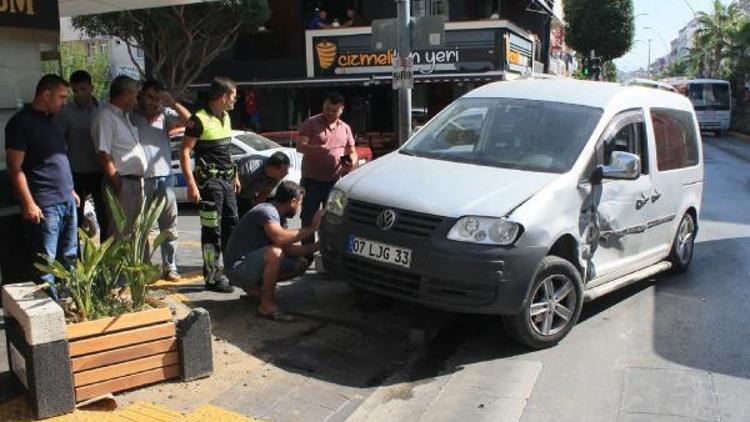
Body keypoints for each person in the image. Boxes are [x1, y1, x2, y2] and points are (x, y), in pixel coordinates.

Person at [5, 74, 79, 300]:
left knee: (70, 257)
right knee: (46, 263)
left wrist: (71, 190)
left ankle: (70, 305)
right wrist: (29, 203)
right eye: (61, 97)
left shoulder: (55, 121)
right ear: (46, 95)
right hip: (45, 205)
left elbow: (59, 160)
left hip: (66, 200)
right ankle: (50, 311)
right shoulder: (20, 123)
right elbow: (14, 168)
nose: (64, 102)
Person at [224, 181, 323, 321]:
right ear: (293, 201)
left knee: (300, 263)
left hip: (250, 264)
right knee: (275, 253)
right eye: (300, 203)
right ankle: (266, 305)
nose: (300, 207)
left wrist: (319, 245)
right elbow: (280, 238)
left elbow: (289, 249)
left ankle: (256, 290)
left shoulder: (279, 217)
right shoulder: (267, 211)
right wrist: (312, 228)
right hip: (237, 269)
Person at [181, 77, 240, 293]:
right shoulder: (199, 119)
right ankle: (212, 277)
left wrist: (236, 176)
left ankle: (232, 271)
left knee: (232, 226)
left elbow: (227, 151)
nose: (235, 100)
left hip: (227, 181)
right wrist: (191, 184)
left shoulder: (226, 117)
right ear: (223, 96)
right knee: (211, 231)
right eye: (233, 96)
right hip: (209, 184)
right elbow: (185, 152)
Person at [131, 80, 191, 281]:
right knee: (141, 227)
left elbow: (192, 122)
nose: (154, 102)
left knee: (169, 225)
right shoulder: (130, 116)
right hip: (141, 179)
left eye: (158, 98)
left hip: (164, 178)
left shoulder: (165, 115)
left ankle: (170, 265)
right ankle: (144, 268)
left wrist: (172, 103)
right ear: (141, 96)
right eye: (150, 97)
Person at [297, 92, 357, 250]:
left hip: (335, 182)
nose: (329, 113)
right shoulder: (311, 123)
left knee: (333, 219)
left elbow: (352, 151)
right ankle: (306, 254)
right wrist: (317, 149)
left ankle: (328, 252)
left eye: (334, 111)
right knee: (308, 219)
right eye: (327, 109)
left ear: (341, 110)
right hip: (312, 182)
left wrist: (351, 161)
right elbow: (300, 146)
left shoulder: (345, 128)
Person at [92, 75, 145, 238]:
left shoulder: (123, 116)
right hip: (122, 182)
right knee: (121, 233)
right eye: (135, 95)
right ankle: (118, 265)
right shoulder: (106, 116)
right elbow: (103, 153)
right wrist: (118, 183)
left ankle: (136, 264)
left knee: (136, 234)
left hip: (133, 182)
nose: (137, 100)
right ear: (125, 94)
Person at [57, 70, 107, 237]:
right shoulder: (65, 112)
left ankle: (107, 258)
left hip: (100, 171)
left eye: (83, 89)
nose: (79, 94)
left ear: (91, 88)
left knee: (105, 216)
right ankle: (78, 260)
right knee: (75, 220)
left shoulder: (103, 110)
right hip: (75, 173)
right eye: (75, 90)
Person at [235, 151, 291, 217]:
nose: (287, 173)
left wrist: (253, 212)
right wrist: (235, 178)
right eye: (284, 170)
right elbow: (232, 167)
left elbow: (263, 195)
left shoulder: (276, 177)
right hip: (232, 190)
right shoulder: (251, 168)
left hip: (247, 196)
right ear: (274, 168)